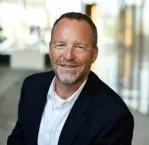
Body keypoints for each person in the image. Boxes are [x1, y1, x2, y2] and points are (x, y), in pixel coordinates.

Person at [7, 12, 134, 145]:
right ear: (50, 49)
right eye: (60, 45)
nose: (68, 56)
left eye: (79, 47)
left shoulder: (114, 117)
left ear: (94, 54)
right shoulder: (31, 86)